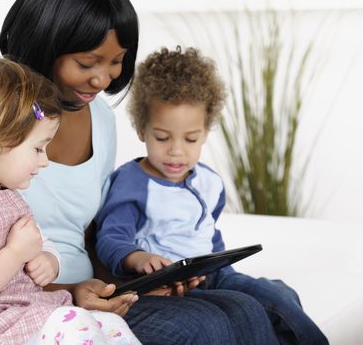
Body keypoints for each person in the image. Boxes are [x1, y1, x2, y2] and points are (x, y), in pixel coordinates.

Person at [0, 0, 287, 344]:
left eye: (116, 61)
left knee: (243, 309)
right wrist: (69, 293)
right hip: (26, 309)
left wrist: (135, 279)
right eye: (87, 63)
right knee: (203, 326)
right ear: (45, 46)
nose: (103, 80)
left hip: (90, 295)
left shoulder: (100, 118)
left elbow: (88, 233)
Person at [95, 46, 329, 345]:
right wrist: (138, 258)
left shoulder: (209, 181)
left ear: (205, 132)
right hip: (171, 285)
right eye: (162, 137)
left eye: (191, 138)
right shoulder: (132, 182)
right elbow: (110, 238)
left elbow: (208, 231)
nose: (176, 150)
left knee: (279, 293)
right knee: (244, 312)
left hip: (213, 273)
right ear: (142, 129)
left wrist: (218, 261)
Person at [0, 58, 141, 345]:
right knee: (73, 322)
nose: (44, 161)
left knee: (109, 324)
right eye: (37, 148)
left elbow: (41, 243)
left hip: (13, 313)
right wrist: (15, 254)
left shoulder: (9, 198)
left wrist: (48, 261)